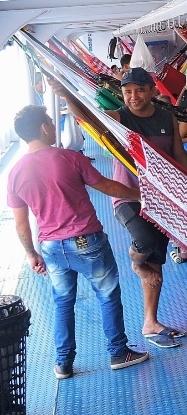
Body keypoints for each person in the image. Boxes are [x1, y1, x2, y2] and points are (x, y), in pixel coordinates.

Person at [7, 106, 149, 377]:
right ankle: (119, 352)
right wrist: (140, 194)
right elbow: (106, 186)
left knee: (62, 302)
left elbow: (21, 223)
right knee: (107, 296)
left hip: (51, 247)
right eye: (50, 121)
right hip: (86, 241)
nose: (52, 125)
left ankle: (63, 362)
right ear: (44, 128)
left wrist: (31, 254)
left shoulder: (15, 173)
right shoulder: (69, 158)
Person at [56, 67, 187, 348]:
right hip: (127, 198)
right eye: (128, 91)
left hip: (161, 198)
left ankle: (150, 321)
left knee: (156, 258)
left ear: (153, 91)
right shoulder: (121, 119)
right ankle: (135, 262)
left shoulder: (167, 118)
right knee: (144, 242)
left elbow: (178, 156)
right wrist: (67, 95)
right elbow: (89, 118)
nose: (133, 96)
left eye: (140, 90)